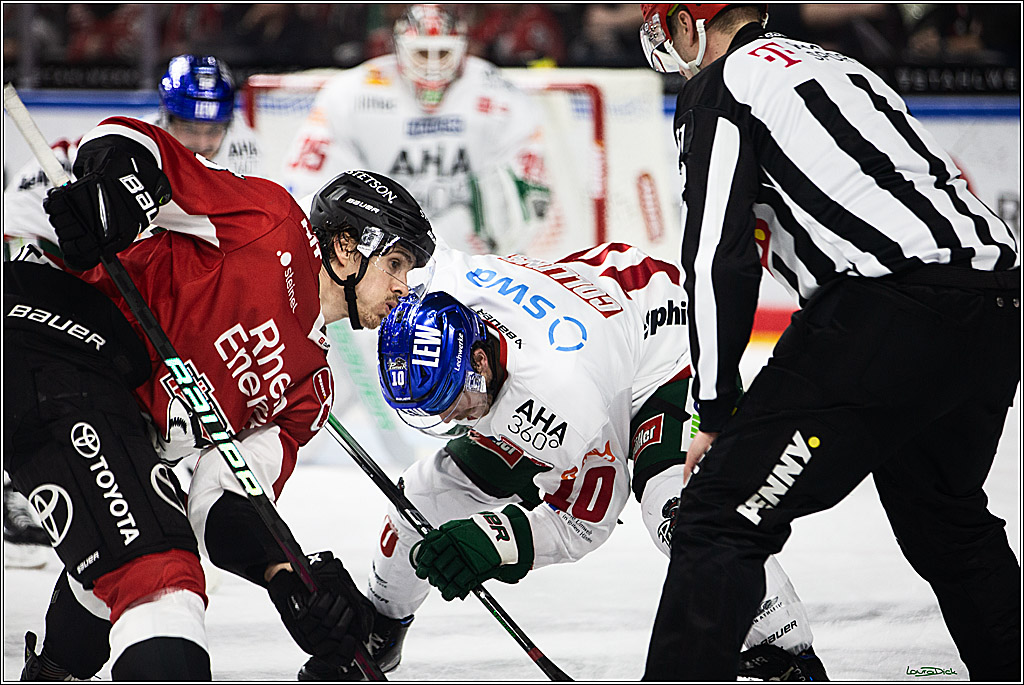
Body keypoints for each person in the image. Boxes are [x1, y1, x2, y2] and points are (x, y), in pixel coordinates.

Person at [638, 3, 1020, 680]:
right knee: (948, 522)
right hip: (997, 306)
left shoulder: (721, 85)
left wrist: (716, 408)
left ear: (687, 23)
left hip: (889, 311)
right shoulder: (842, 66)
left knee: (716, 515)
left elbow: (718, 256)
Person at [4, 105, 435, 678]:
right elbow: (134, 139)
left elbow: (222, 504)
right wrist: (111, 190)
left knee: (144, 539)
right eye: (398, 264)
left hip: (94, 406)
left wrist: (290, 579)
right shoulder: (270, 222)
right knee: (159, 576)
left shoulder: (311, 391)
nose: (403, 289)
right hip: (48, 332)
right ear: (350, 248)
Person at [298, 243, 827, 681]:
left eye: (455, 400)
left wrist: (493, 544)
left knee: (676, 509)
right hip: (596, 325)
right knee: (423, 496)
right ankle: (380, 633)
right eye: (435, 409)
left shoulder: (559, 396)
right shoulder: (440, 293)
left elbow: (587, 519)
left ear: (479, 360)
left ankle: (785, 652)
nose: (455, 420)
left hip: (664, 351)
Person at [2, 52, 261, 574]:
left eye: (214, 128)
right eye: (189, 126)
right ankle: (24, 483)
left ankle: (159, 464)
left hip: (163, 289)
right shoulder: (103, 149)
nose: (203, 141)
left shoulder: (243, 160)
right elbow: (17, 228)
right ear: (166, 115)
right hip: (78, 289)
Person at [278, 3, 551, 257]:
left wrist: (508, 247)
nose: (432, 65)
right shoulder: (351, 93)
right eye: (422, 52)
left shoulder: (498, 92)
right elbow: (309, 179)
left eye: (442, 53)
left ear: (461, 49)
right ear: (400, 48)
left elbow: (529, 183)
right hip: (380, 250)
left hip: (471, 252)